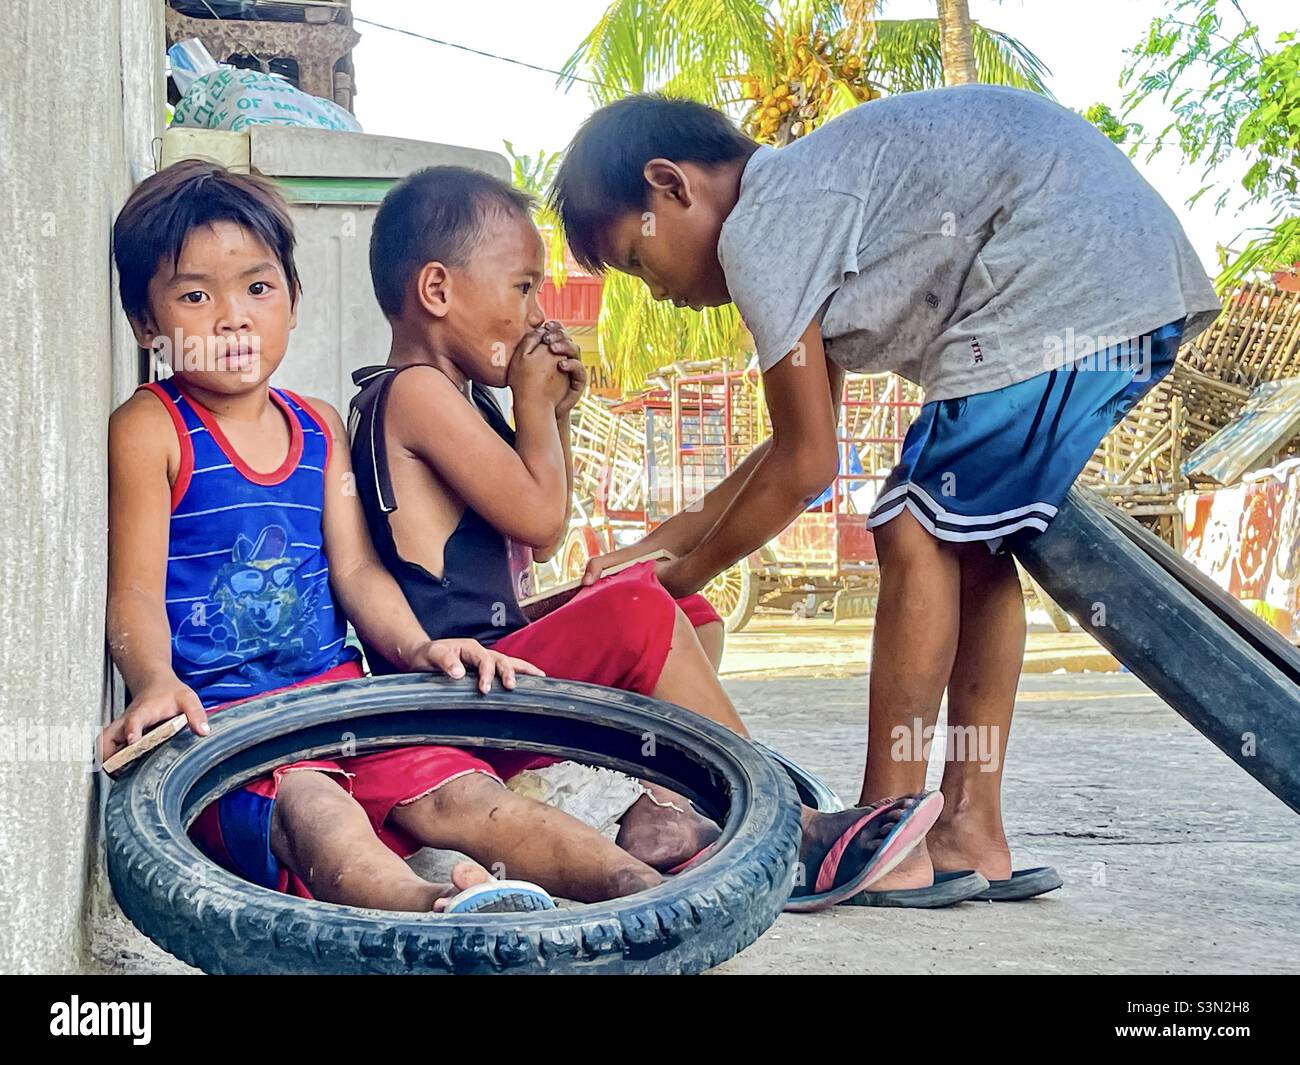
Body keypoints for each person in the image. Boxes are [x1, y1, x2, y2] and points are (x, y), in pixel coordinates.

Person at [549, 87, 1221, 905]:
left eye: (635, 259)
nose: (655, 291)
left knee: (912, 525)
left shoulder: (765, 226)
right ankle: (969, 829)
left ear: (671, 186)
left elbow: (804, 468)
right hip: (1116, 276)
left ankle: (880, 833)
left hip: (1065, 276)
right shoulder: (805, 210)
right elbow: (795, 443)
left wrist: (677, 581)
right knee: (968, 543)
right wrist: (655, 547)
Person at [100, 159, 712, 914]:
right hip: (228, 731)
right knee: (320, 814)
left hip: (341, 706)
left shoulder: (317, 425)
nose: (233, 317)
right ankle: (435, 909)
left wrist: (419, 650)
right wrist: (156, 680)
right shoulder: (150, 428)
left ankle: (641, 893)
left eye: (258, 288)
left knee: (471, 797)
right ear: (145, 323)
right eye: (195, 295)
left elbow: (356, 571)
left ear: (293, 301)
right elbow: (131, 588)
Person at [349, 165, 942, 912]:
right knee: (636, 611)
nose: (537, 314)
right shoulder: (413, 393)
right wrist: (535, 411)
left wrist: (552, 420)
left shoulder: (460, 400)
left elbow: (535, 538)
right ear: (437, 290)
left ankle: (665, 805)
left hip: (501, 670)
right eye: (522, 286)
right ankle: (788, 830)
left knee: (677, 607)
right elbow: (537, 516)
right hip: (461, 686)